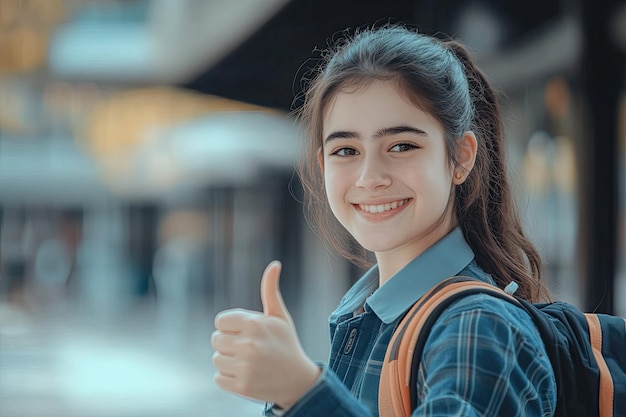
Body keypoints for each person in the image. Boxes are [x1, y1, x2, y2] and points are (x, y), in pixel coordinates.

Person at [210, 24, 557, 417]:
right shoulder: (366, 317)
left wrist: (303, 391)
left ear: (461, 157)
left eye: (402, 145)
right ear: (322, 165)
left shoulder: (476, 326)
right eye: (346, 150)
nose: (370, 177)